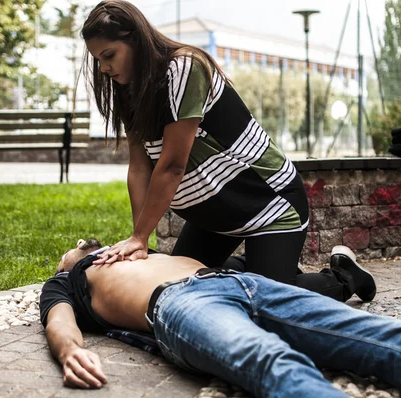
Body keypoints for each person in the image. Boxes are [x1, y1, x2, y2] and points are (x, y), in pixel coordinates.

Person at [40, 239, 401, 397]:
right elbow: (59, 321)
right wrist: (70, 352)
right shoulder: (70, 280)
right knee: (268, 360)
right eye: (75, 249)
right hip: (180, 305)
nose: (84, 246)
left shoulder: (134, 248)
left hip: (244, 283)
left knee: (389, 337)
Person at [81, 0, 321, 290]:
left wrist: (140, 238)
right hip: (215, 217)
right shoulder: (131, 90)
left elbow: (171, 167)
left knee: (268, 304)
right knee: (182, 292)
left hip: (267, 203)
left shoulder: (184, 68)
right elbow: (139, 169)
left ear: (136, 40)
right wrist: (138, 239)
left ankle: (343, 278)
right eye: (98, 60)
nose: (104, 68)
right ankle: (254, 268)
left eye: (109, 55)